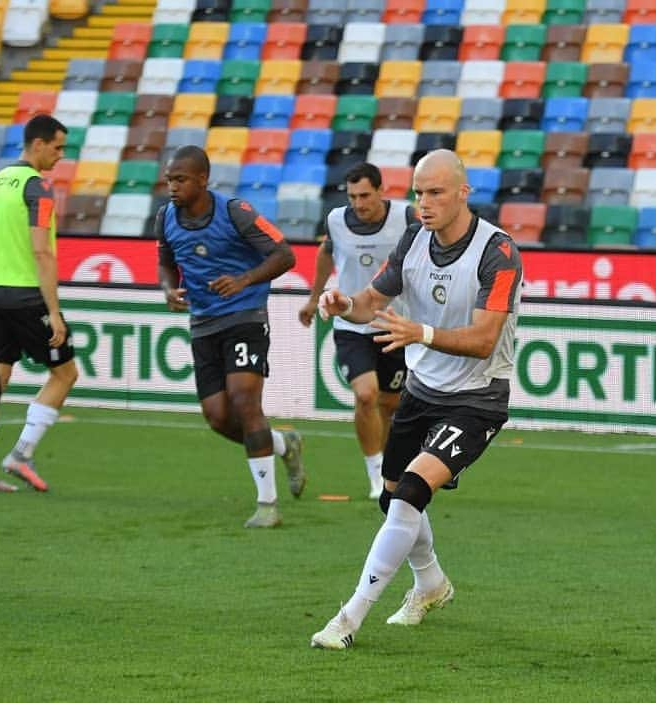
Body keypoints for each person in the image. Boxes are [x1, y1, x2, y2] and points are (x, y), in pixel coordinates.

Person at [309, 149, 523, 649]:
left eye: (436, 192)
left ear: (463, 193)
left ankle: (347, 619)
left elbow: (484, 339)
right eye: (419, 193)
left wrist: (421, 333)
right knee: (394, 500)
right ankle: (431, 584)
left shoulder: (499, 251)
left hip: (476, 399)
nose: (424, 203)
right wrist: (345, 304)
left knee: (408, 494)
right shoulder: (414, 238)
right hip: (423, 391)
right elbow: (372, 301)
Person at [156, 145, 306, 528]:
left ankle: (268, 505)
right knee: (218, 417)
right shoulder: (165, 218)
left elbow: (284, 255)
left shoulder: (235, 212)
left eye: (181, 180)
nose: (172, 187)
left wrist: (243, 280)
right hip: (203, 324)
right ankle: (283, 445)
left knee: (244, 402)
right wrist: (169, 289)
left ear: (203, 179)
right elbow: (165, 264)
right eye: (170, 180)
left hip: (245, 317)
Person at [298, 162, 417, 500]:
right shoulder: (336, 220)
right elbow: (325, 254)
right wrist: (313, 299)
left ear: (381, 191)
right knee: (366, 394)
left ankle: (387, 469)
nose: (359, 203)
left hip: (393, 325)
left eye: (365, 195)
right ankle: (375, 473)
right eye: (352, 196)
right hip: (351, 323)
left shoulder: (406, 218)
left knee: (390, 404)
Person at [0, 114, 79, 493]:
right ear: (38, 144)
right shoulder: (37, 188)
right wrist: (53, 312)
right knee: (65, 374)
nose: (60, 155)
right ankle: (21, 453)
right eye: (57, 147)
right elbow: (41, 252)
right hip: (25, 295)